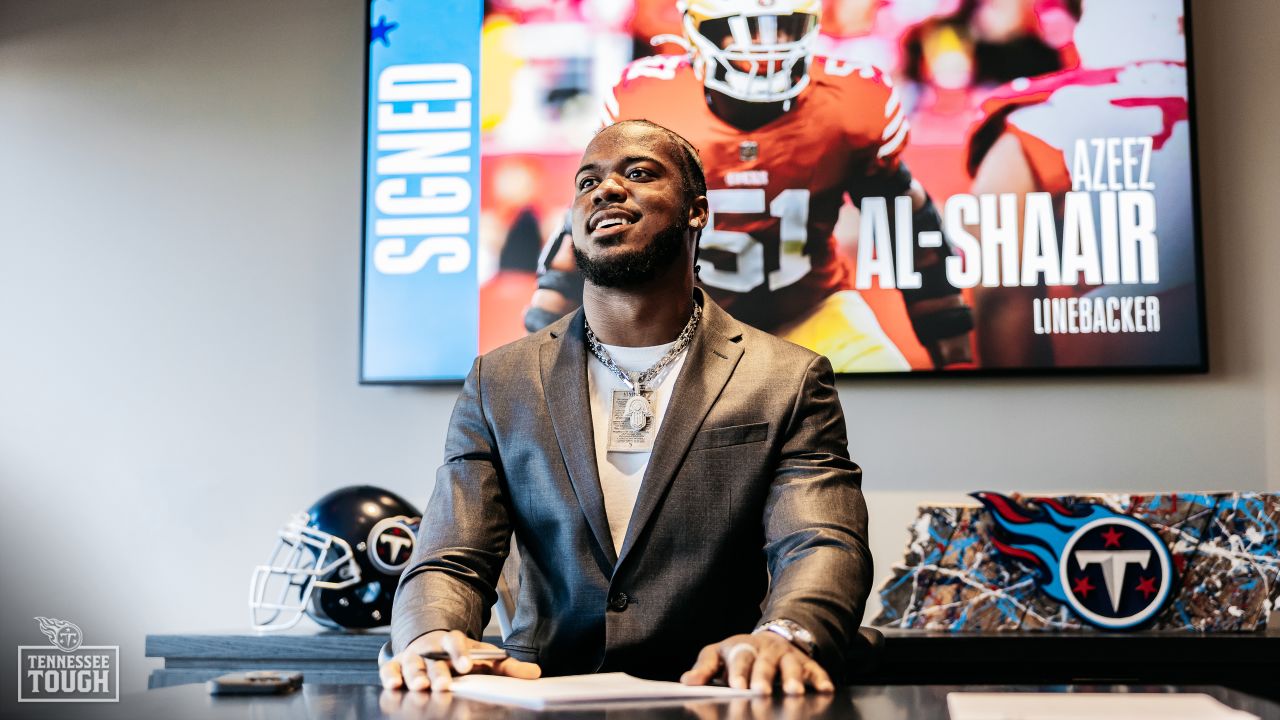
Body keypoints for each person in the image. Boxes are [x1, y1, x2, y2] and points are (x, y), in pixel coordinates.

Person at [380, 119, 871, 695]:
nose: (605, 190)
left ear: (697, 211)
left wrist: (786, 634)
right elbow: (450, 557)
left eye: (638, 173)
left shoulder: (787, 377)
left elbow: (820, 540)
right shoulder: (500, 381)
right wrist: (428, 637)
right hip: (542, 694)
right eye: (587, 181)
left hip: (715, 694)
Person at [524, 0, 973, 372]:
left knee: (889, 399)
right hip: (684, 327)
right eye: (747, 31)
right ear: (700, 32)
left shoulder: (851, 103)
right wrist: (543, 337)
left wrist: (957, 360)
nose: (768, 49)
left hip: (813, 311)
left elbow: (912, 232)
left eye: (783, 28)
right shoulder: (649, 102)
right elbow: (590, 232)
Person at [965, 0, 1197, 367]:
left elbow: (1000, 296)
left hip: (1099, 403)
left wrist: (1014, 417)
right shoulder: (1246, 106)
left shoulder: (1036, 127)